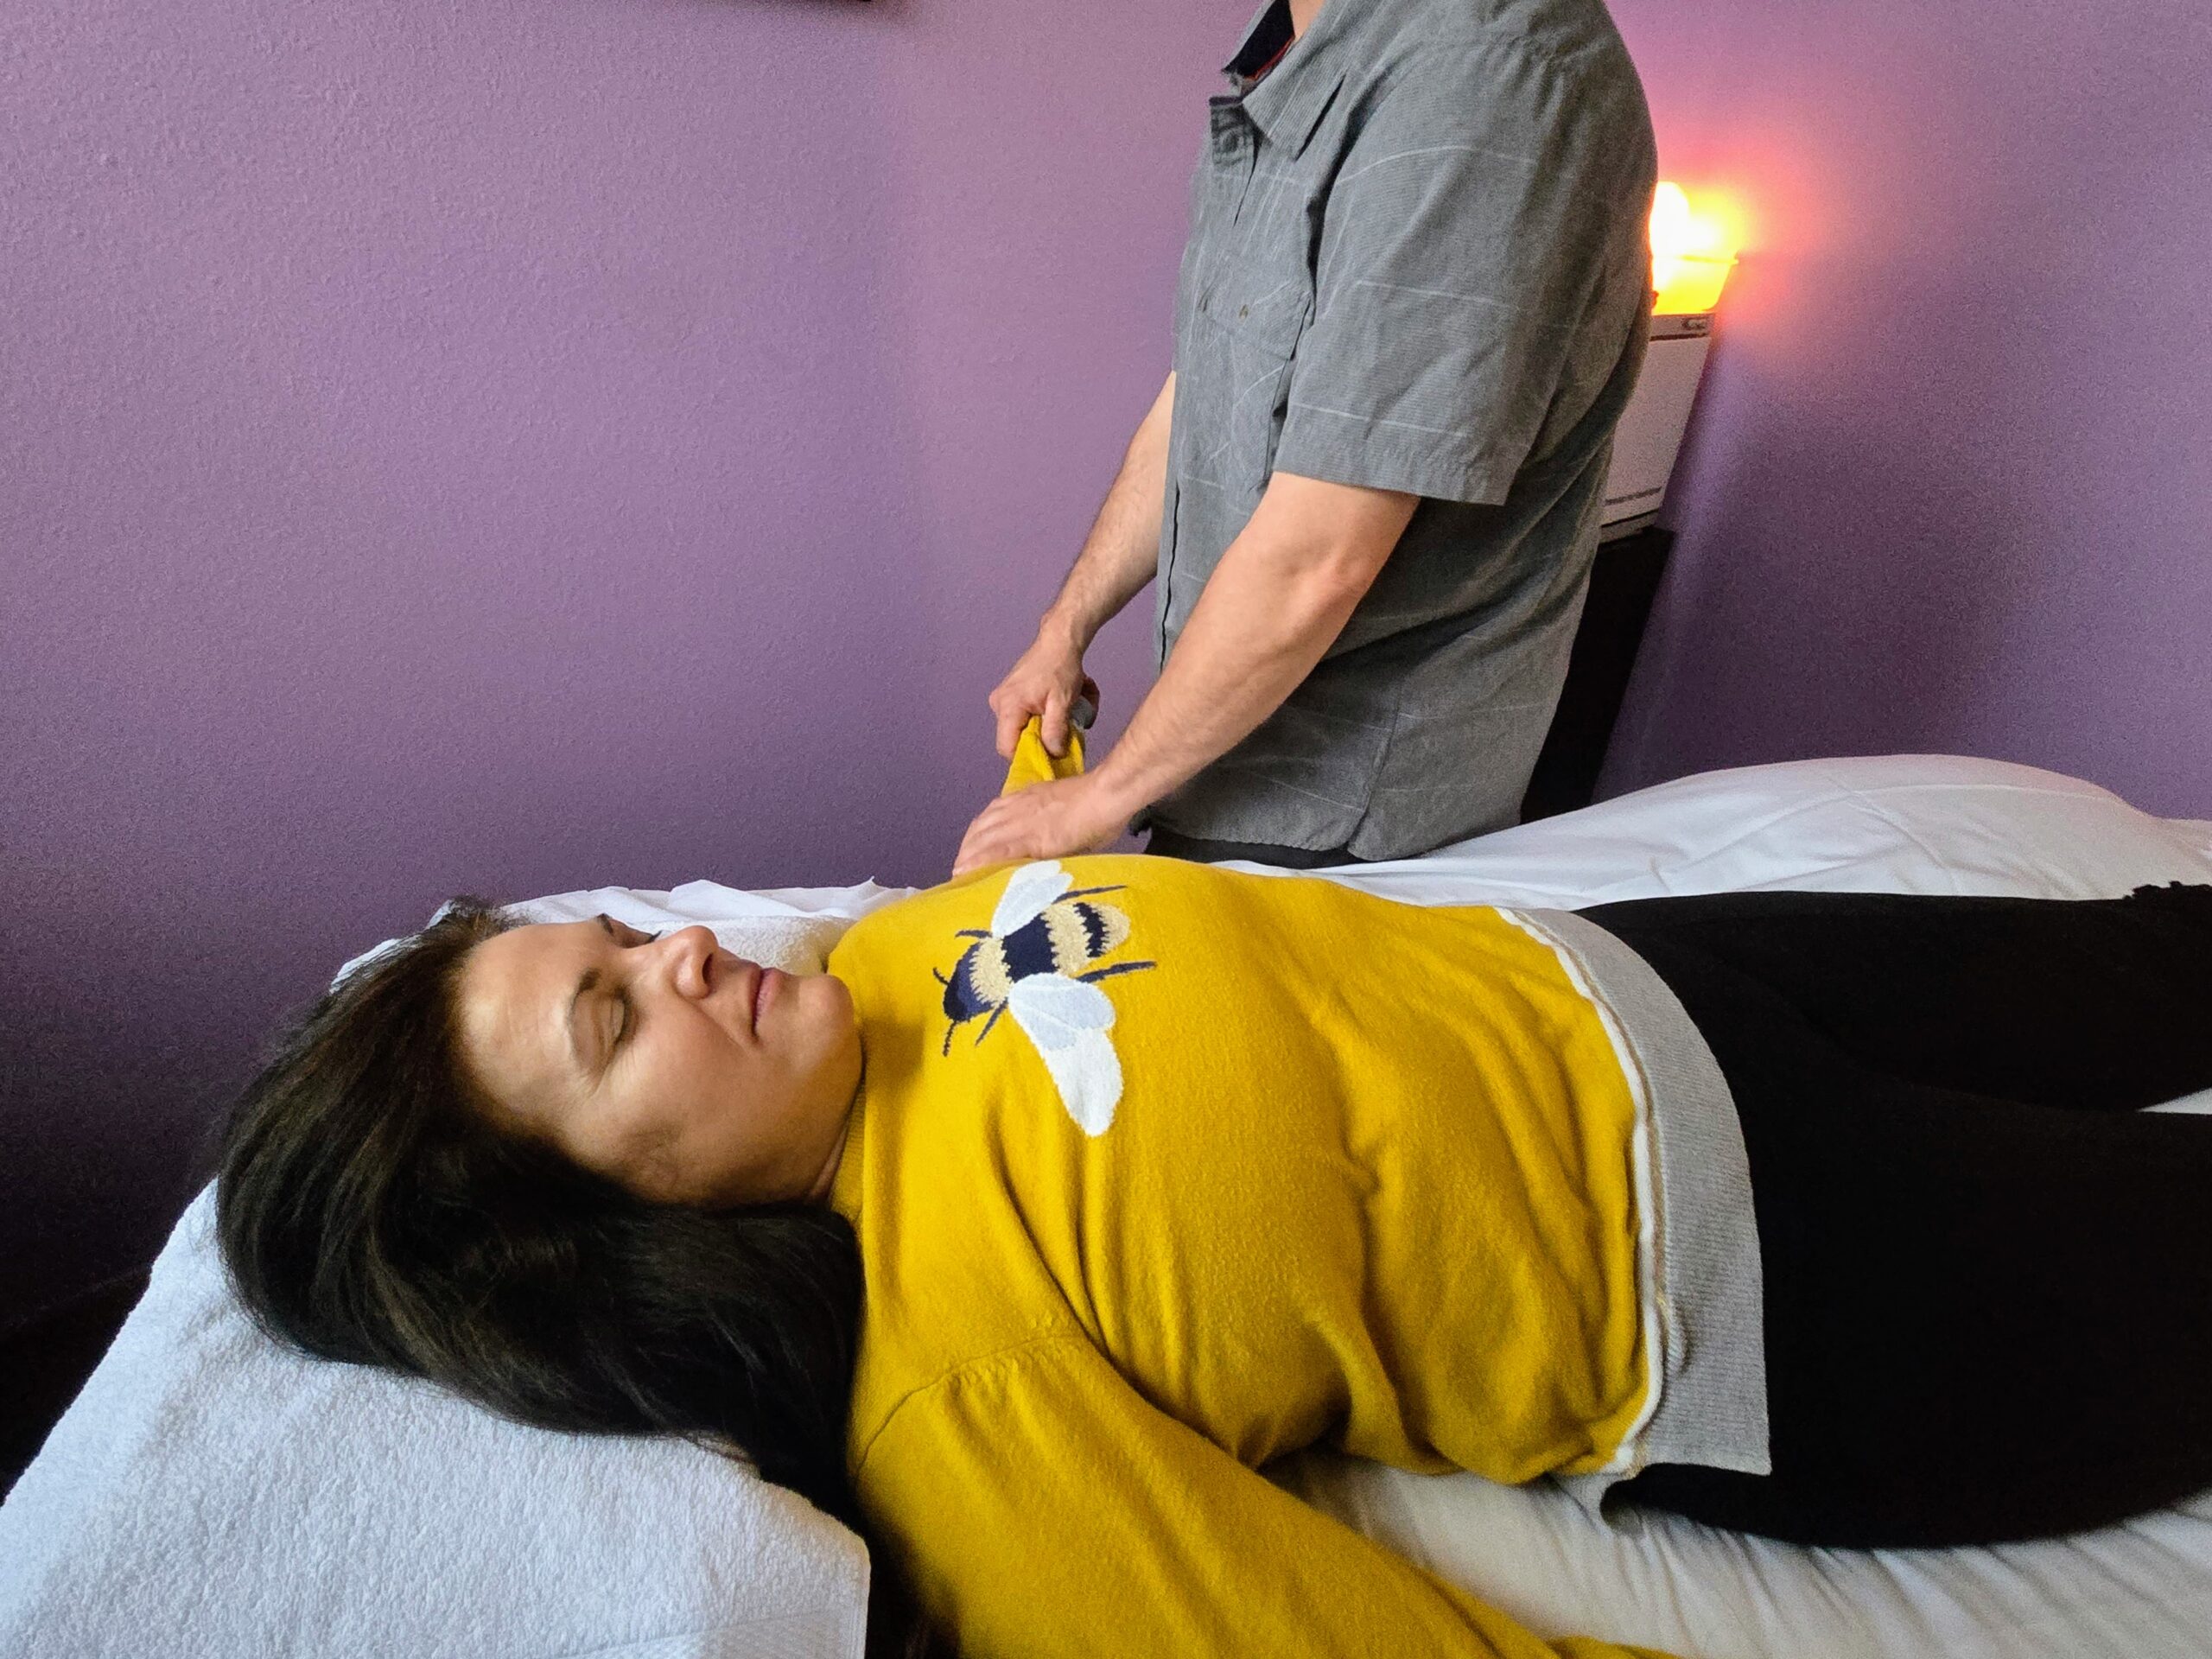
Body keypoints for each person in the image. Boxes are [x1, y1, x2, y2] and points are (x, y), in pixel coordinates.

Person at [216, 799, 2212, 1654]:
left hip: (1647, 975)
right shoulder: (957, 1391)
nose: (681, 954)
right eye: (612, 1016)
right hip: (1765, 1263)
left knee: (2162, 952)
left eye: (624, 935)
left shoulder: (880, 962)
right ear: (602, 1229)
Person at [957, 0, 1659, 877]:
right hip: (1219, 755)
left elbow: (1322, 556)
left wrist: (1097, 803)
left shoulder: (1484, 79)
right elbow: (1208, 387)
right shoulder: (1305, 46)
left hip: (1344, 812)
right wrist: (1065, 627)